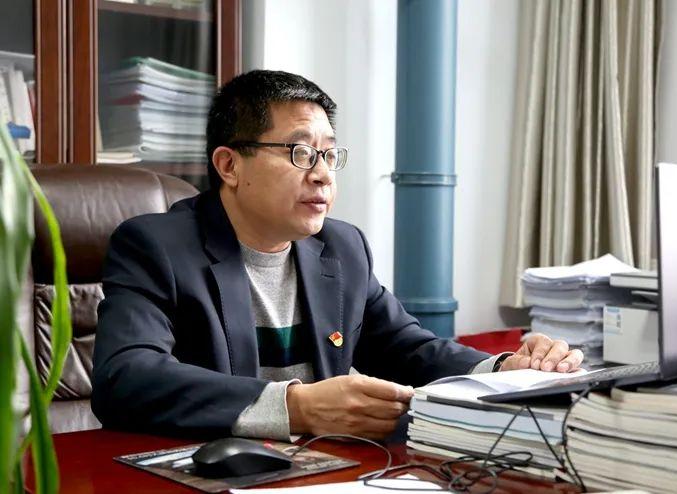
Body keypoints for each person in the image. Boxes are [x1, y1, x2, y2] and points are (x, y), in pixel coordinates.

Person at [92, 70, 583, 441]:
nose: (323, 174)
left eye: (329, 154)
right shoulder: (156, 246)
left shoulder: (342, 247)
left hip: (324, 468)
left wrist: (503, 370)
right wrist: (298, 407)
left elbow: (408, 348)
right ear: (229, 165)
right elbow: (126, 378)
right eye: (300, 152)